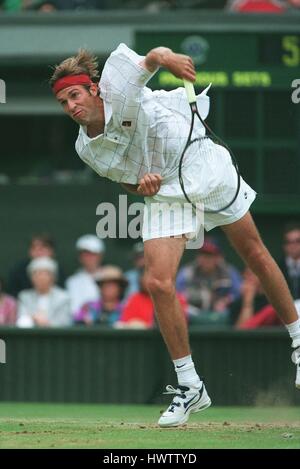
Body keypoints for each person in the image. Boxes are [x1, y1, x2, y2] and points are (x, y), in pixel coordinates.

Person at [50, 43, 300, 427]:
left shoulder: (117, 81)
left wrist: (167, 60)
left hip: (201, 162)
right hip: (166, 191)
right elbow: (130, 184)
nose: (71, 106)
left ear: (94, 89)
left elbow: (153, 55)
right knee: (158, 282)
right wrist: (142, 186)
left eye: (74, 95)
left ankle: (299, 341)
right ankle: (190, 385)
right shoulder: (87, 149)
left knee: (256, 255)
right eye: (63, 102)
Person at [176, 238, 241, 325]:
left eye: (210, 255)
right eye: (203, 255)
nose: (206, 259)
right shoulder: (187, 272)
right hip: (193, 312)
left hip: (220, 313)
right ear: (198, 257)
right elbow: (177, 294)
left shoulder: (229, 272)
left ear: (218, 257)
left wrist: (227, 300)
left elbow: (239, 293)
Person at [16, 257, 71, 328]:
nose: (41, 277)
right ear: (31, 278)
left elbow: (64, 322)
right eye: (37, 274)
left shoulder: (64, 297)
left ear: (53, 277)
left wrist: (47, 323)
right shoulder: (24, 296)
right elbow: (22, 321)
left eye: (45, 274)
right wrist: (34, 319)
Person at [8, 233, 65, 298]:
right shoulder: (18, 271)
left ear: (52, 251)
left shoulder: (59, 270)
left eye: (43, 248)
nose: (38, 252)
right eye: (34, 248)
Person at [65, 234, 105, 317]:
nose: (89, 258)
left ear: (100, 256)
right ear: (80, 257)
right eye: (85, 254)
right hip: (79, 325)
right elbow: (73, 310)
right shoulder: (72, 281)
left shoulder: (109, 277)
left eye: (93, 254)